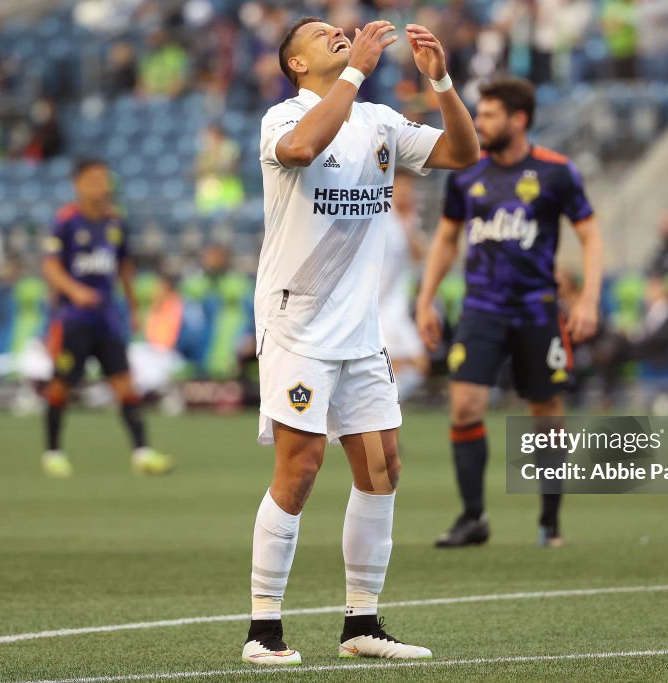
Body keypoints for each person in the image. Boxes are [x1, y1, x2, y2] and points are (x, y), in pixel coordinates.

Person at [244, 16, 479, 665]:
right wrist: (353, 73)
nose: (339, 33)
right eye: (321, 34)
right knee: (301, 468)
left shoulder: (378, 120)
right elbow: (298, 152)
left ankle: (362, 621)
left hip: (360, 329)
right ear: (296, 63)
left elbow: (464, 153)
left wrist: (442, 83)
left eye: (339, 30)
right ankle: (263, 628)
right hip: (298, 323)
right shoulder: (282, 118)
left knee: (382, 469)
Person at [415, 77, 603, 549]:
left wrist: (588, 299)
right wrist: (425, 299)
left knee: (546, 414)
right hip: (481, 306)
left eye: (490, 115)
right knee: (464, 406)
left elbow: (591, 235)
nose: (479, 123)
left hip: (537, 309)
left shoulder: (557, 172)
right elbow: (445, 238)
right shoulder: (465, 171)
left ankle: (549, 521)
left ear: (519, 120)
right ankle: (474, 517)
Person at [41, 159, 174, 478]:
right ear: (79, 185)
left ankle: (142, 453)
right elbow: (50, 266)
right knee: (61, 386)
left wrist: (133, 307)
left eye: (104, 179)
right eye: (94, 180)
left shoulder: (115, 223)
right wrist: (74, 291)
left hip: (107, 318)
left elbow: (125, 267)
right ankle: (53, 452)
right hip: (74, 319)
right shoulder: (66, 222)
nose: (102, 186)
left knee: (125, 385)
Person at [378, 174, 429, 402]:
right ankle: (378, 418)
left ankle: (380, 414)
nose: (405, 193)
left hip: (396, 305)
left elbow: (419, 256)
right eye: (401, 188)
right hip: (380, 306)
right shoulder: (379, 217)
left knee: (416, 365)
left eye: (409, 189)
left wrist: (409, 226)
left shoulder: (407, 220)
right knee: (397, 366)